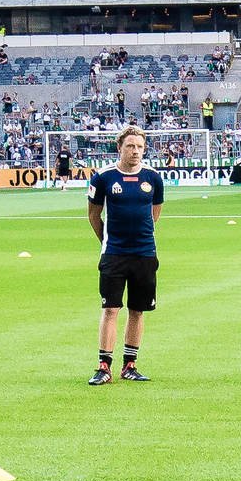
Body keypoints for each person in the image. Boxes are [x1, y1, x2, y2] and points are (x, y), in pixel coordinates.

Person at [86, 126, 163, 385]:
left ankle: (130, 364)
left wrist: (143, 237)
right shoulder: (103, 177)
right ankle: (103, 366)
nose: (135, 151)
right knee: (110, 308)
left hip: (144, 253)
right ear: (119, 147)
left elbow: (155, 213)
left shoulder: (153, 178)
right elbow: (93, 215)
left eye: (140, 147)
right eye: (130, 146)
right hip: (114, 254)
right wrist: (107, 242)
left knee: (137, 310)